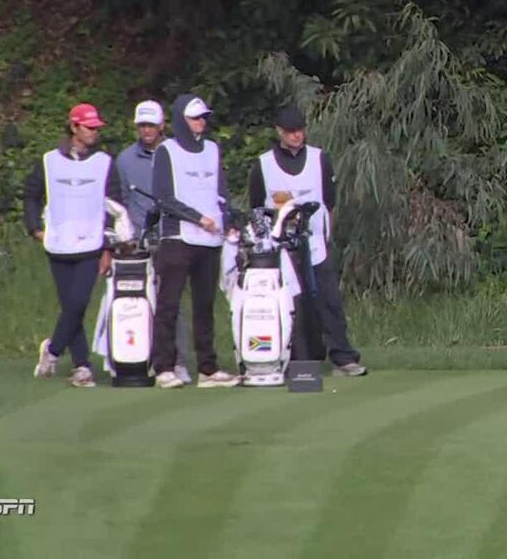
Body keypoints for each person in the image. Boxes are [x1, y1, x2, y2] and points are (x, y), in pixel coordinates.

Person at [247, 106, 366, 376]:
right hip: (281, 251)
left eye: (300, 130)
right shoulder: (263, 165)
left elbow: (330, 203)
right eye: (291, 132)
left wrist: (326, 235)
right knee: (288, 305)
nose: (297, 136)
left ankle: (343, 358)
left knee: (329, 301)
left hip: (315, 245)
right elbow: (256, 209)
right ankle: (290, 358)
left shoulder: (319, 158)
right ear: (279, 131)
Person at [24, 104, 122, 388]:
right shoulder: (49, 161)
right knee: (71, 307)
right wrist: (35, 229)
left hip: (90, 244)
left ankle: (53, 351)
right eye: (89, 127)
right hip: (58, 244)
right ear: (74, 127)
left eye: (96, 128)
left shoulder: (105, 162)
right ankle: (82, 367)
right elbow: (31, 195)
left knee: (78, 303)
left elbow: (114, 207)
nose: (94, 133)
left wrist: (108, 248)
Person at [149, 93, 239, 388]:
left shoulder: (212, 149)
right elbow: (164, 198)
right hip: (178, 237)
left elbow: (220, 190)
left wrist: (227, 221)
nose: (201, 122)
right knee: (169, 304)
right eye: (195, 118)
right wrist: (197, 217)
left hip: (209, 240)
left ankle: (208, 369)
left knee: (205, 305)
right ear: (181, 120)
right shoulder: (167, 151)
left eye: (203, 118)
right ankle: (163, 366)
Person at [116, 99, 192, 384]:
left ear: (162, 126)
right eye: (142, 125)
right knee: (137, 303)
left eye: (151, 124)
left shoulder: (175, 154)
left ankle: (178, 362)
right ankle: (141, 359)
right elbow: (123, 200)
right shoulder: (124, 159)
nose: (146, 130)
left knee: (172, 305)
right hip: (139, 243)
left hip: (172, 237)